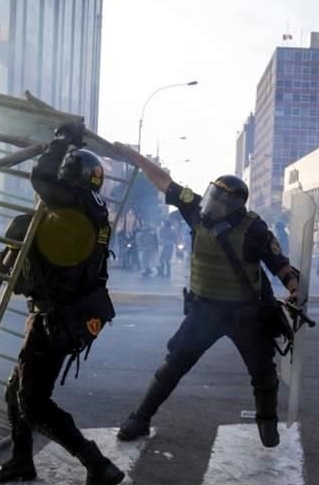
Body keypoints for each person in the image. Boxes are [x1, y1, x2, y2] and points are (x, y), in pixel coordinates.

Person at [113, 144, 300, 448]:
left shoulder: (254, 229)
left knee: (263, 372)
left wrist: (294, 289)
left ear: (236, 207)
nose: (213, 205)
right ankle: (140, 418)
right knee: (173, 364)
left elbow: (279, 264)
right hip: (205, 312)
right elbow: (163, 179)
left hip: (246, 315)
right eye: (213, 197)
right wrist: (131, 155)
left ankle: (267, 423)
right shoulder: (195, 210)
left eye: (222, 202)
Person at [0, 122, 124, 485]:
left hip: (55, 317)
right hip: (69, 314)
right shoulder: (93, 209)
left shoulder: (73, 206)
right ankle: (21, 459)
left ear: (70, 179)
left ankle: (97, 465)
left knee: (34, 403)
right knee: (17, 391)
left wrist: (60, 142)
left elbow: (41, 176)